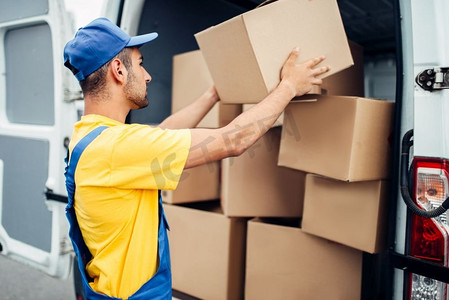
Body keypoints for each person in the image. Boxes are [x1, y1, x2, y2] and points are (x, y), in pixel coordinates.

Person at [63, 17, 329, 299]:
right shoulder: (117, 147)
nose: (148, 75)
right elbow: (234, 140)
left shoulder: (91, 138)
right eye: (140, 64)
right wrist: (289, 86)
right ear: (118, 70)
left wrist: (213, 94)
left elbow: (164, 132)